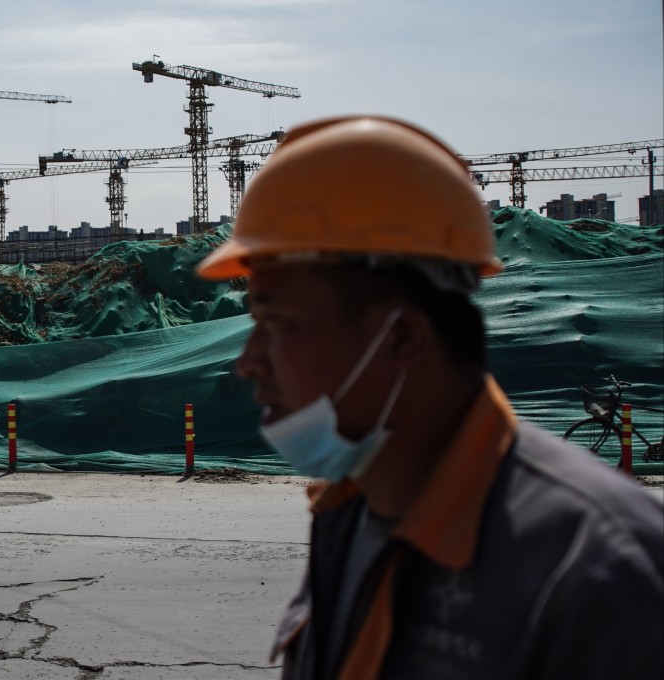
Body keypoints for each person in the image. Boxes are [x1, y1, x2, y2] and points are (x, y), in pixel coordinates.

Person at [195, 116, 664, 679]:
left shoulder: (599, 569)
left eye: (277, 322)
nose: (248, 361)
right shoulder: (347, 510)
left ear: (401, 337)